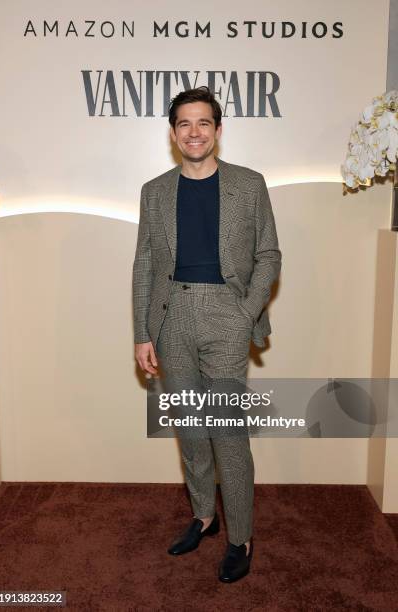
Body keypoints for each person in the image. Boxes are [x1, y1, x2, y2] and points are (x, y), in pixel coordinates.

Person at [133, 86, 281, 583]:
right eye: (183, 125)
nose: (193, 132)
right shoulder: (154, 191)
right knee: (191, 430)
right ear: (173, 134)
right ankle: (204, 516)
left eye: (203, 123)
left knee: (227, 432)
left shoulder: (249, 184)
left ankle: (241, 536)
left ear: (218, 130)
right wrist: (142, 330)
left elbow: (268, 255)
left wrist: (244, 312)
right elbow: (146, 263)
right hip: (171, 315)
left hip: (226, 314)